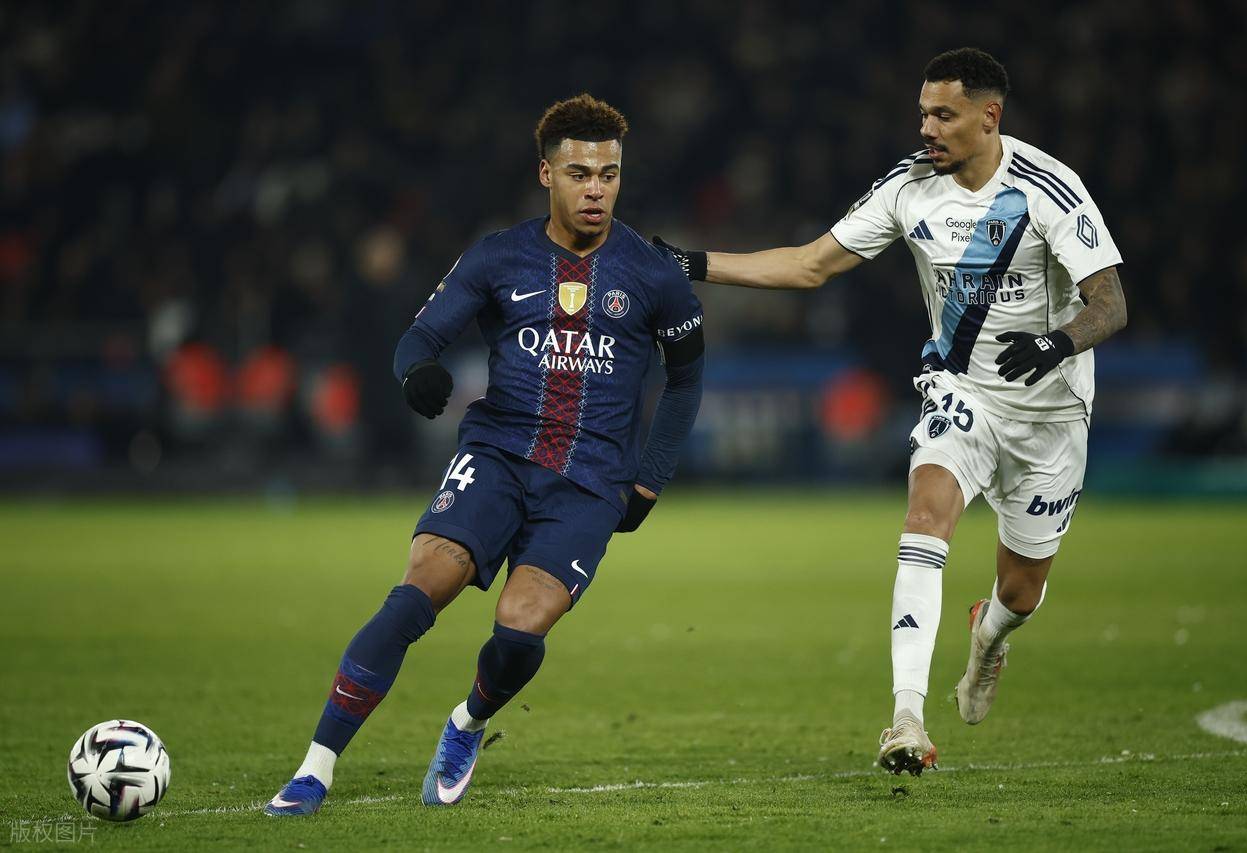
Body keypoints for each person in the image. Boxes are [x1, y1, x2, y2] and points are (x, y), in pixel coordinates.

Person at [654, 48, 1126, 776]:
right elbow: (811, 264)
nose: (927, 128)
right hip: (961, 394)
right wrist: (694, 264)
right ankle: (907, 718)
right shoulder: (909, 186)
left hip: (1051, 415)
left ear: (989, 116)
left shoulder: (1048, 189)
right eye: (923, 113)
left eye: (944, 115)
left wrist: (1057, 342)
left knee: (1022, 592)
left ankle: (990, 635)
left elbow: (1111, 302)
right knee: (924, 518)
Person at [265, 93, 705, 815]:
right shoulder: (499, 255)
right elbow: (419, 338)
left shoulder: (654, 274)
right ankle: (314, 769)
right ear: (547, 174)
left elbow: (686, 379)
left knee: (520, 629)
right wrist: (417, 372)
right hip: (498, 453)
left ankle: (467, 722)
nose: (595, 189)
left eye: (609, 174)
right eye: (579, 174)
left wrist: (651, 479)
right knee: (419, 588)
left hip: (590, 480)